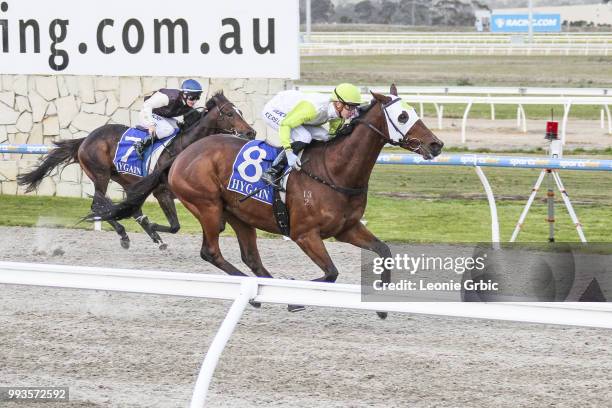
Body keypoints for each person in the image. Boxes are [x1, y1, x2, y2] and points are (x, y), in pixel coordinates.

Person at [260, 83, 362, 188]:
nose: (352, 112)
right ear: (338, 104)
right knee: (304, 136)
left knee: (326, 136)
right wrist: (289, 151)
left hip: (298, 115)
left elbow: (332, 135)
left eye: (355, 107)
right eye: (350, 107)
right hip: (276, 109)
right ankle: (271, 172)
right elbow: (285, 125)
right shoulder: (314, 109)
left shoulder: (337, 114)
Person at [134, 79, 204, 158]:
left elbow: (199, 111)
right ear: (184, 95)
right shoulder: (168, 97)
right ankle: (141, 144)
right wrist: (151, 124)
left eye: (197, 97)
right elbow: (147, 105)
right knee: (168, 129)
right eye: (192, 97)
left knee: (179, 128)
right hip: (148, 113)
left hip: (161, 116)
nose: (194, 101)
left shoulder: (189, 102)